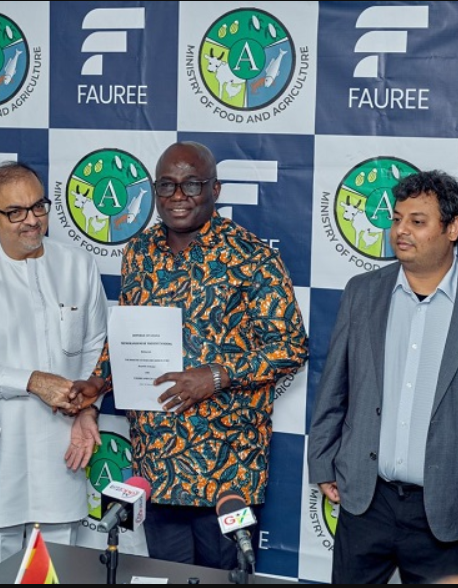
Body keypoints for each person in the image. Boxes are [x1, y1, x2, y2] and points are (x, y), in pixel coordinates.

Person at [70, 141, 308, 570]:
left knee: (223, 580)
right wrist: (99, 380)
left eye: (191, 184)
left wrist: (216, 375)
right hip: (157, 461)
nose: (178, 196)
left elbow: (290, 346)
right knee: (165, 576)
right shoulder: (139, 254)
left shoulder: (253, 258)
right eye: (167, 186)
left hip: (227, 466)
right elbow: (129, 335)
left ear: (214, 189)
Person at [307, 170, 458, 583]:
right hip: (366, 502)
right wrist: (321, 460)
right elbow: (334, 384)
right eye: (396, 219)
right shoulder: (363, 291)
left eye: (417, 221)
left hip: (446, 510)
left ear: (453, 228)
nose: (400, 230)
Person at [0, 161, 107, 565]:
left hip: (64, 447)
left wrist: (88, 409)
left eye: (39, 207)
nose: (32, 221)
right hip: (0, 450)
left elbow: (95, 348)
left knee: (57, 564)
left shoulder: (78, 263)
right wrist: (32, 380)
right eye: (15, 213)